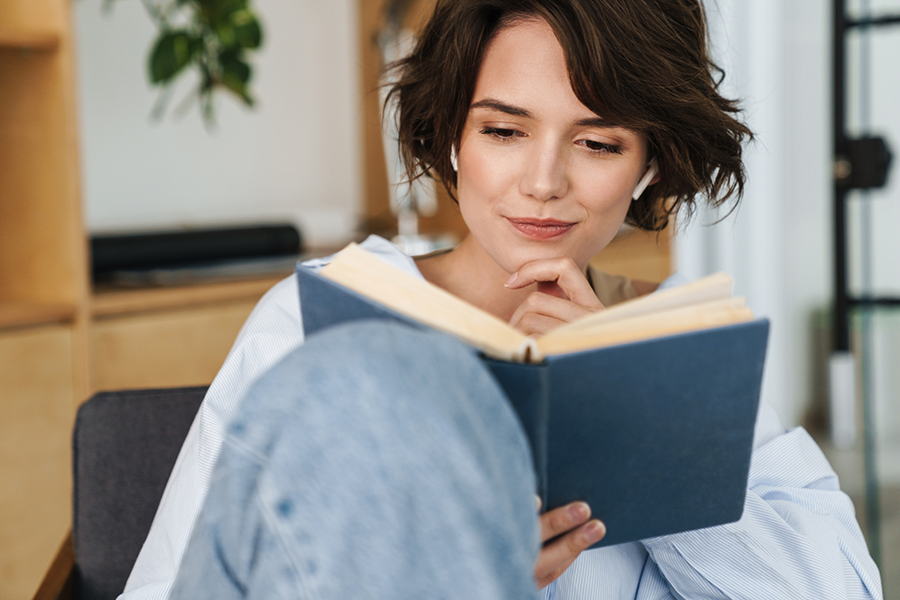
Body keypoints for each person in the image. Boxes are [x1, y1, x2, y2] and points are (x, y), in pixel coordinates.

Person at [120, 1, 883, 599]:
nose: (543, 182)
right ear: (454, 134)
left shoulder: (682, 345)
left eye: (598, 143)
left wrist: (639, 417)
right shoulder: (309, 325)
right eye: (504, 130)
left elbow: (841, 589)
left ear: (651, 164)